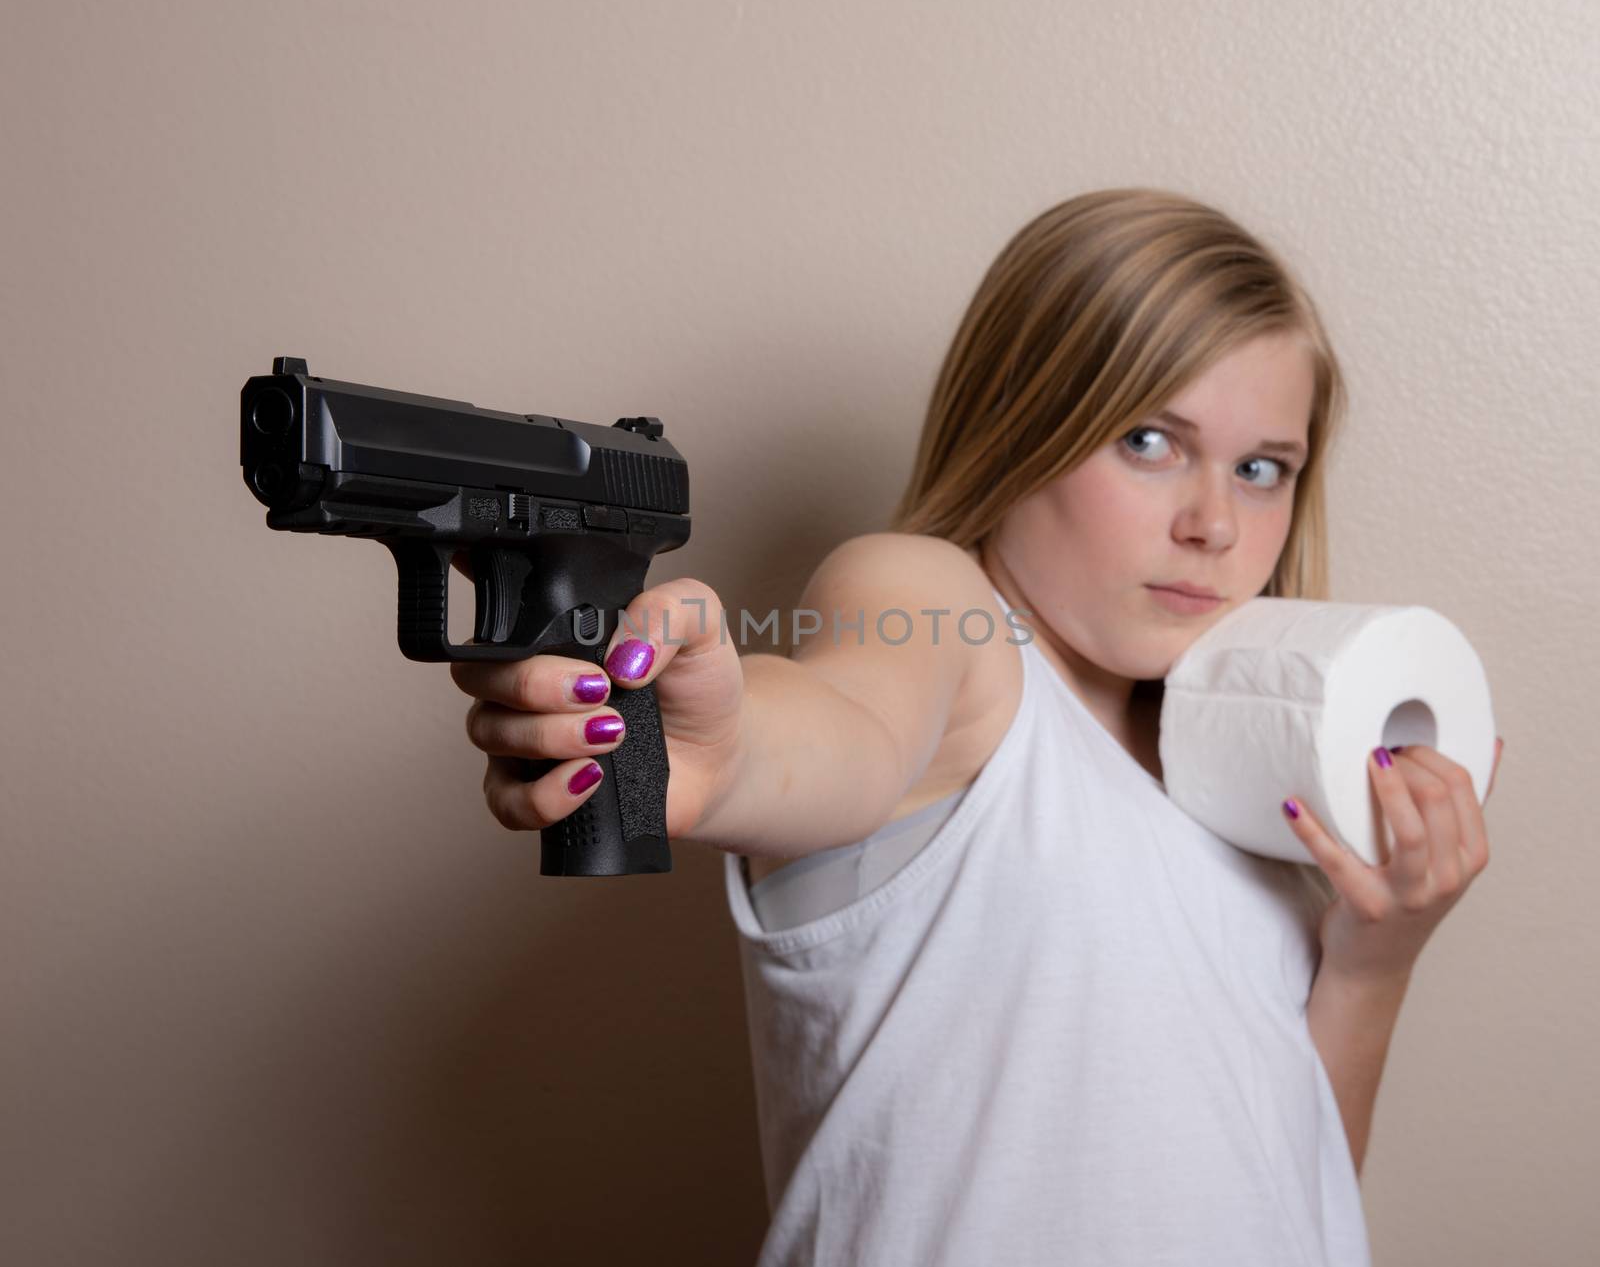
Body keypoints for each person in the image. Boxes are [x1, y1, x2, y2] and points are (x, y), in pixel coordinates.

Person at [449, 187, 1503, 1266]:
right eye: (1147, 440)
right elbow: (851, 729)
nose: (1215, 524)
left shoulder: (1253, 781)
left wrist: (1375, 960)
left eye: (1260, 467)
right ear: (1025, 424)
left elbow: (1291, 1183)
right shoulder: (946, 616)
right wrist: (728, 757)